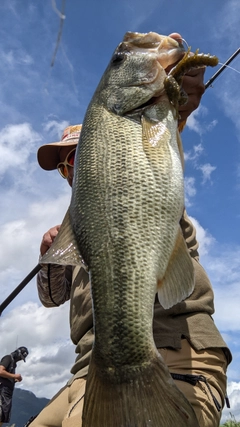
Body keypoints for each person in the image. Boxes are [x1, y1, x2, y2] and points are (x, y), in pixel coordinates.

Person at [32, 35, 232, 427]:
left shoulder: (137, 175)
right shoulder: (79, 229)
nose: (70, 170)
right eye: (63, 167)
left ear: (95, 143)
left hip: (171, 347)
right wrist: (49, 258)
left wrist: (176, 101)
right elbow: (50, 299)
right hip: (88, 369)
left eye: (74, 156)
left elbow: (158, 133)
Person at [0, 346, 28, 426]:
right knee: (1, 412)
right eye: (20, 357)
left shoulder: (14, 364)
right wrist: (14, 376)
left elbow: (6, 376)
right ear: (17, 353)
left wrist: (13, 380)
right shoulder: (8, 358)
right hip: (2, 390)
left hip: (7, 393)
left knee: (3, 415)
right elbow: (0, 371)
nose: (20, 359)